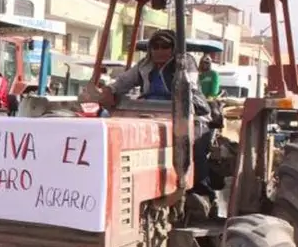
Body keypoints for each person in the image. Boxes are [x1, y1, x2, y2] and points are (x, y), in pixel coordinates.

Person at [89, 28, 217, 218]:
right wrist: (110, 90)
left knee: (195, 140)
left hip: (185, 111)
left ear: (174, 48)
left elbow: (188, 86)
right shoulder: (144, 65)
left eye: (165, 46)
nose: (159, 51)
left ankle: (202, 192)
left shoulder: (184, 63)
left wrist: (180, 89)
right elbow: (124, 80)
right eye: (155, 46)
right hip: (150, 110)